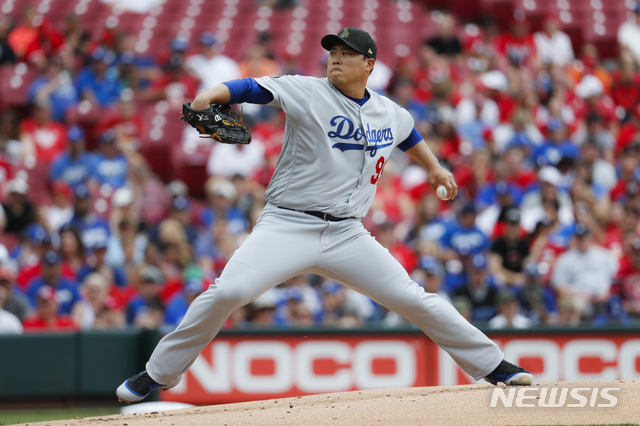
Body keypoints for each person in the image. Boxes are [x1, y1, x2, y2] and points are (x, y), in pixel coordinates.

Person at [116, 27, 532, 403]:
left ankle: (493, 366)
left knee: (413, 298)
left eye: (346, 52)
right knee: (226, 293)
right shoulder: (307, 91)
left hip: (348, 235)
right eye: (332, 50)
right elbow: (251, 88)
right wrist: (210, 98)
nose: (335, 56)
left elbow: (409, 135)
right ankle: (156, 375)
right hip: (287, 224)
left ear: (368, 63)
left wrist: (435, 167)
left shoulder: (390, 112)